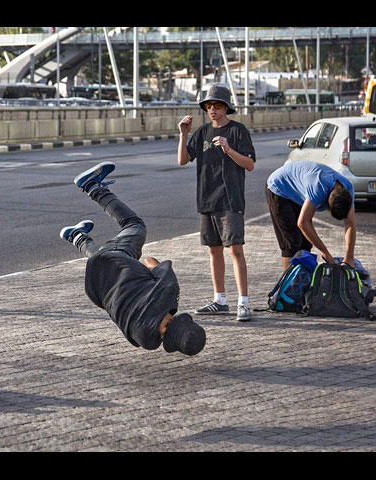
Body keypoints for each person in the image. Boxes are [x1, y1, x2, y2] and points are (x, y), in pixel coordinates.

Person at [60, 161, 206, 356]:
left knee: (135, 226)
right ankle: (76, 236)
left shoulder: (168, 292)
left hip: (116, 259)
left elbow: (150, 261)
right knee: (106, 265)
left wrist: (148, 276)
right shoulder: (147, 341)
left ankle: (92, 186)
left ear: (179, 321)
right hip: (97, 288)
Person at [177, 84, 256, 322]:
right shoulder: (201, 133)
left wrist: (229, 149)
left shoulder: (238, 131)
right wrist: (183, 134)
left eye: (217, 105)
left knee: (235, 249)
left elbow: (250, 164)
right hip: (207, 198)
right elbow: (182, 160)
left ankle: (244, 302)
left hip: (230, 199)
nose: (212, 109)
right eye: (208, 105)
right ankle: (220, 299)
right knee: (214, 250)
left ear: (226, 108)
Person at [265, 161, 356, 271]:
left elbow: (350, 223)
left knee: (305, 243)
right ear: (327, 202)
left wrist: (349, 257)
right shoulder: (319, 187)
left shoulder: (348, 188)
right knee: (291, 243)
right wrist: (324, 251)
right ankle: (291, 284)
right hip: (279, 187)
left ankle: (303, 280)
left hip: (298, 191)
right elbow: (303, 223)